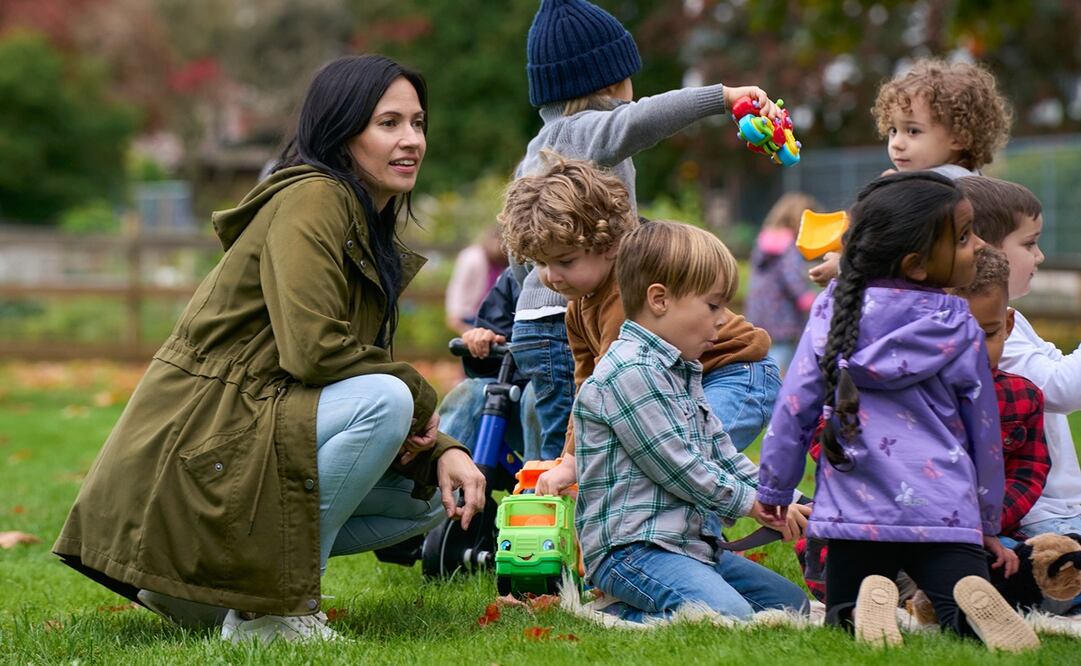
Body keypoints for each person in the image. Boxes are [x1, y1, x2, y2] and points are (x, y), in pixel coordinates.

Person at [51, 55, 486, 643]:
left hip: (250, 435)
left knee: (431, 497)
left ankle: (207, 595)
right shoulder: (315, 199)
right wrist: (417, 392)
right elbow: (314, 352)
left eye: (418, 123)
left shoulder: (364, 222)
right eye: (389, 124)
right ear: (341, 131)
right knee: (384, 401)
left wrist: (445, 451)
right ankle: (268, 612)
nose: (411, 140)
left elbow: (334, 371)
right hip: (203, 445)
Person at [756, 172, 1039, 651]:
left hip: (856, 506)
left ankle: (870, 603)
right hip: (944, 508)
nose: (979, 247)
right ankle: (965, 602)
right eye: (966, 237)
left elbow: (795, 405)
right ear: (918, 265)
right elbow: (985, 435)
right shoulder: (960, 326)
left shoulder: (832, 311)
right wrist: (987, 521)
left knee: (843, 619)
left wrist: (775, 487)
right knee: (957, 615)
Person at [511, 0, 782, 467]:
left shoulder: (537, 151)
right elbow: (642, 119)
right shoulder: (590, 131)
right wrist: (720, 97)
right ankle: (572, 519)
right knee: (583, 441)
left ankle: (552, 516)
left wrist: (530, 291)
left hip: (538, 322)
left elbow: (520, 251)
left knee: (564, 433)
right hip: (569, 315)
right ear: (613, 81)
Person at [574, 220, 809, 623]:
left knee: (793, 607)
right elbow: (679, 466)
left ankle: (657, 602)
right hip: (634, 550)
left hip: (691, 547)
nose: (723, 319)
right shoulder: (629, 372)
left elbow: (721, 453)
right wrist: (750, 504)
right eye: (714, 305)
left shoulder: (682, 370)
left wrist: (779, 497)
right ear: (660, 300)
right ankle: (616, 617)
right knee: (724, 616)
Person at [958, 175, 1081, 614]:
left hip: (1059, 508)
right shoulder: (986, 333)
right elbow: (1063, 388)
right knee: (1058, 573)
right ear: (984, 249)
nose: (1040, 255)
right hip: (1041, 514)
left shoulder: (1012, 320)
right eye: (1029, 243)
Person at [810, 58, 1012, 286]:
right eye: (893, 130)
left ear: (958, 136)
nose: (897, 143)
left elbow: (887, 250)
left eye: (913, 131)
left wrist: (843, 267)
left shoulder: (937, 191)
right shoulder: (971, 181)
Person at [745, 192, 820, 373]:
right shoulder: (789, 244)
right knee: (783, 352)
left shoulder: (765, 239)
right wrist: (808, 299)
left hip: (759, 311)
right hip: (783, 314)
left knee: (767, 351)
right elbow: (791, 276)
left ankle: (764, 378)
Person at [444, 225, 509, 335]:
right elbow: (458, 286)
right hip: (470, 314)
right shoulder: (472, 257)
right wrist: (454, 313)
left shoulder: (503, 262)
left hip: (493, 316)